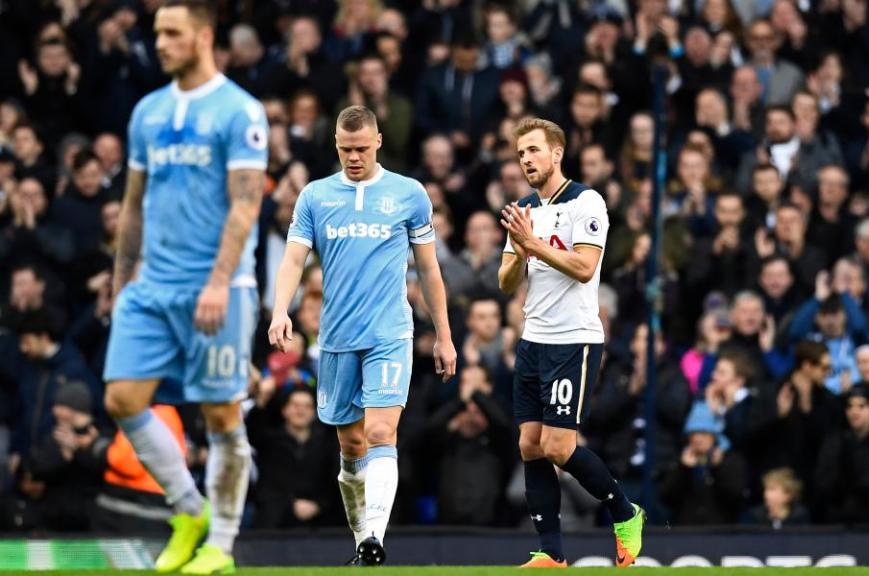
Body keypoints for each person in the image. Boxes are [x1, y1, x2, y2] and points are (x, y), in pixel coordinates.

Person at [100, 1, 268, 574]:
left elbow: (247, 203)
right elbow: (133, 204)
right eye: (157, 33)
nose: (160, 43)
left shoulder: (238, 110)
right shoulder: (147, 111)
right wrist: (123, 282)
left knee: (221, 415)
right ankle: (189, 510)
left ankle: (220, 543)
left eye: (171, 33)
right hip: (153, 284)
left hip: (217, 286)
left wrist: (219, 282)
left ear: (202, 36)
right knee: (122, 398)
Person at [268, 104, 457, 566]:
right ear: (337, 146)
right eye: (344, 149)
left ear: (377, 142)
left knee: (379, 431)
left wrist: (444, 336)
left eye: (360, 148)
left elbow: (429, 268)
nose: (353, 157)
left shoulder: (408, 194)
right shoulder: (315, 196)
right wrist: (280, 311)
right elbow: (294, 259)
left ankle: (375, 535)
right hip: (336, 338)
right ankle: (362, 539)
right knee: (350, 446)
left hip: (390, 333)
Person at [498, 117, 644, 568]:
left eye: (534, 150)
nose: (526, 159)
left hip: (573, 340)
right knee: (528, 444)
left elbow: (584, 268)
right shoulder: (524, 209)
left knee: (559, 447)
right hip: (533, 338)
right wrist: (519, 253)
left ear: (556, 153)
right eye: (521, 152)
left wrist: (533, 244)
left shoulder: (587, 201)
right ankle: (552, 553)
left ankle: (625, 511)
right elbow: (505, 283)